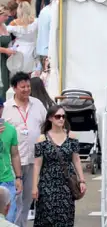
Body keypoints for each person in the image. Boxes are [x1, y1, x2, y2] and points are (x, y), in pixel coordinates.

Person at [30, 107, 82, 227]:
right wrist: (34, 187)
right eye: (58, 116)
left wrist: (82, 180)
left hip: (66, 184)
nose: (61, 119)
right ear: (50, 118)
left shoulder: (71, 137)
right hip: (47, 184)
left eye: (63, 116)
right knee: (45, 218)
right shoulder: (42, 139)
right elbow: (37, 164)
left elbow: (76, 159)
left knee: (66, 218)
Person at [3, 72, 44, 227]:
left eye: (28, 86)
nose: (26, 89)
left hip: (34, 158)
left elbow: (45, 126)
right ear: (14, 88)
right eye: (22, 87)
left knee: (27, 200)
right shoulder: (6, 108)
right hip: (14, 160)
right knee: (13, 198)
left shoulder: (37, 104)